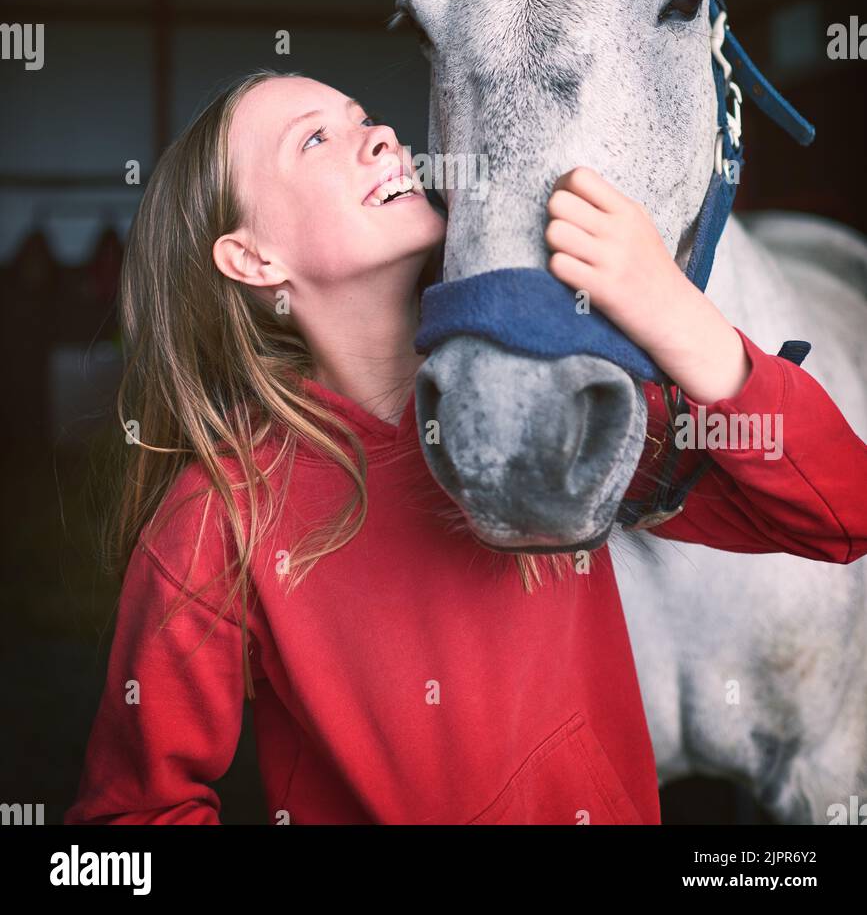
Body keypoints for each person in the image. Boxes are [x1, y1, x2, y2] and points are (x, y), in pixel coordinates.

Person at [64, 70, 867, 826]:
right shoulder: (220, 517)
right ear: (252, 258)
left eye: (364, 118)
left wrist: (685, 325)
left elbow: (841, 515)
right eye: (314, 141)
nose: (380, 136)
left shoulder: (546, 413)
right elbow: (131, 813)